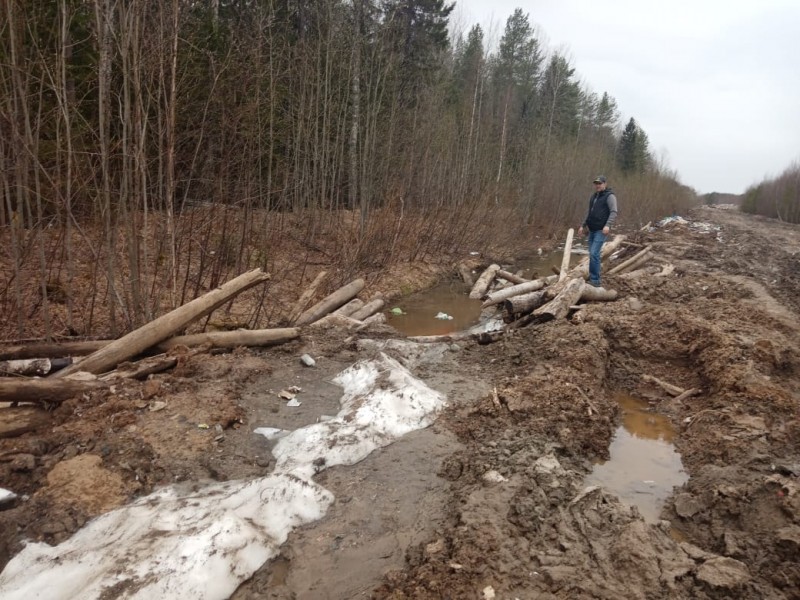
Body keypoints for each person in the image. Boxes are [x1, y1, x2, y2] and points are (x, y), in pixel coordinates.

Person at [578, 175, 618, 287]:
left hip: (601, 230)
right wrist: (583, 225)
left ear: (605, 184)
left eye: (600, 183)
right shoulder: (594, 197)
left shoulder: (610, 196)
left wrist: (607, 225)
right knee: (592, 254)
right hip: (592, 229)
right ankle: (593, 277)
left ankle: (595, 281)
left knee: (595, 254)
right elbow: (589, 212)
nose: (598, 185)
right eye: (596, 183)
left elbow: (614, 212)